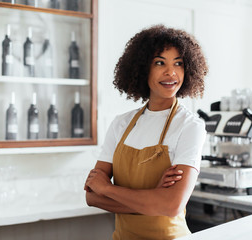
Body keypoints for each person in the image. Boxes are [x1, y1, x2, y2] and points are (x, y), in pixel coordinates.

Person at [84, 24, 208, 240]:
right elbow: (92, 196)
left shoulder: (190, 126)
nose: (171, 72)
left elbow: (172, 205)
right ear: (142, 68)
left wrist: (109, 189)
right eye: (160, 63)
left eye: (178, 63)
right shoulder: (121, 124)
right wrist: (153, 201)